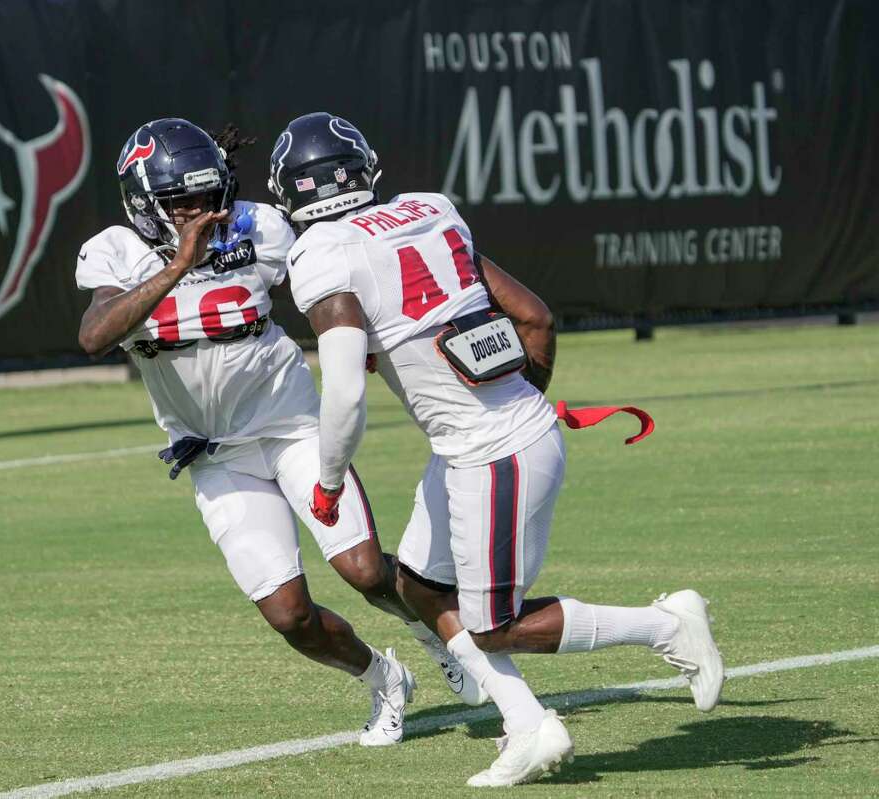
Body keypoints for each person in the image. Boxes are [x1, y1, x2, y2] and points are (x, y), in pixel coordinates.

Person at [268, 111, 725, 785]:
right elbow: (533, 316)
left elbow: (342, 395)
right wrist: (522, 402)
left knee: (493, 626)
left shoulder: (320, 253)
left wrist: (330, 479)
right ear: (363, 168)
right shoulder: (431, 209)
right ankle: (529, 726)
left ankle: (666, 626)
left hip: (492, 454)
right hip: (485, 442)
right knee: (419, 585)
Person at [75, 118, 481, 746]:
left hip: (292, 426)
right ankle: (383, 678)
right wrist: (180, 264)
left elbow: (331, 278)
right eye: (182, 202)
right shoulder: (117, 251)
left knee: (365, 570)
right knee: (290, 616)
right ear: (143, 203)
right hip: (217, 455)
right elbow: (96, 335)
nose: (202, 212)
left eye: (211, 195)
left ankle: (445, 639)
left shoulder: (259, 226)